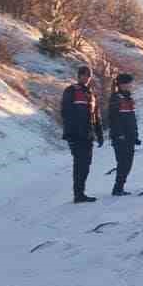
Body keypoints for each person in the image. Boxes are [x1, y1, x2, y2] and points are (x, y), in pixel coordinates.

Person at [60, 64, 104, 203]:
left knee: (86, 164)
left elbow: (96, 116)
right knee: (80, 164)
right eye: (84, 75)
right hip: (76, 135)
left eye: (89, 76)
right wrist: (69, 135)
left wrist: (100, 134)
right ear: (79, 76)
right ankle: (78, 195)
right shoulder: (71, 90)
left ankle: (81, 193)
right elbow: (65, 113)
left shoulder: (91, 94)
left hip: (88, 135)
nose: (87, 78)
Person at [107, 72, 142, 195]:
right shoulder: (115, 98)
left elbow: (132, 119)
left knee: (128, 163)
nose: (129, 86)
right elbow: (113, 118)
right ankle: (117, 188)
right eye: (127, 83)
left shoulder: (129, 98)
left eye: (130, 83)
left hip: (130, 137)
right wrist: (119, 134)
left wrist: (135, 135)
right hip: (120, 137)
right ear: (121, 84)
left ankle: (120, 187)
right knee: (123, 162)